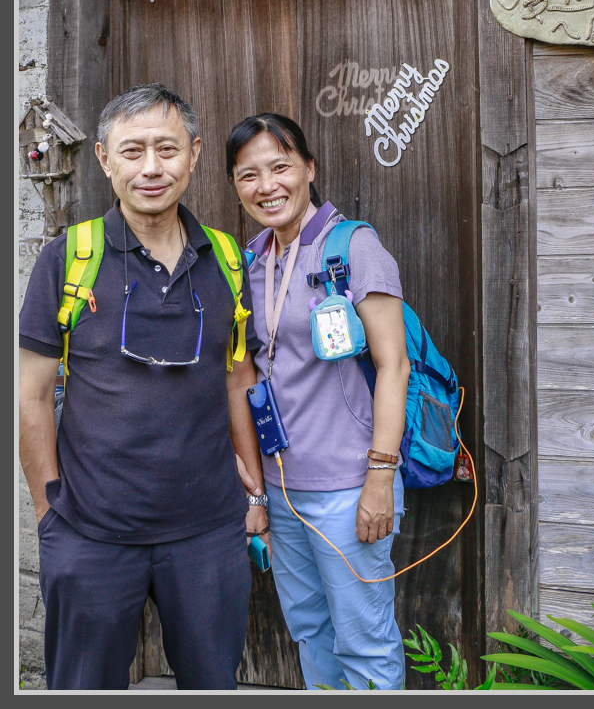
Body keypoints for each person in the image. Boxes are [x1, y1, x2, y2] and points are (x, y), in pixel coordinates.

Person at [18, 84, 269, 691]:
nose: (151, 167)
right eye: (132, 151)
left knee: (213, 687)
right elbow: (29, 393)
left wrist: (254, 495)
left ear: (196, 154)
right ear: (105, 159)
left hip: (208, 533)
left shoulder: (227, 260)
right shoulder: (68, 257)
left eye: (167, 148)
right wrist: (49, 512)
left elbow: (237, 378)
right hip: (91, 533)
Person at [226, 113, 410, 691]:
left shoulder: (354, 245)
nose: (266, 186)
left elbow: (393, 366)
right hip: (283, 490)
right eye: (248, 175)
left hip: (350, 486)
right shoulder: (251, 261)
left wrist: (380, 477)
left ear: (309, 169)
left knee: (364, 639)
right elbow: (247, 374)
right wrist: (255, 493)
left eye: (280, 167)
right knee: (309, 631)